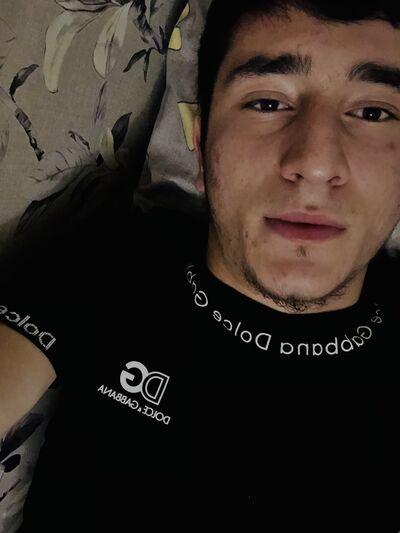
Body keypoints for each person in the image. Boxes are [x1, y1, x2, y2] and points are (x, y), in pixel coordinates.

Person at [1, 0, 400, 530]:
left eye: (374, 113)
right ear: (200, 143)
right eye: (267, 103)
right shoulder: (113, 265)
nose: (316, 163)